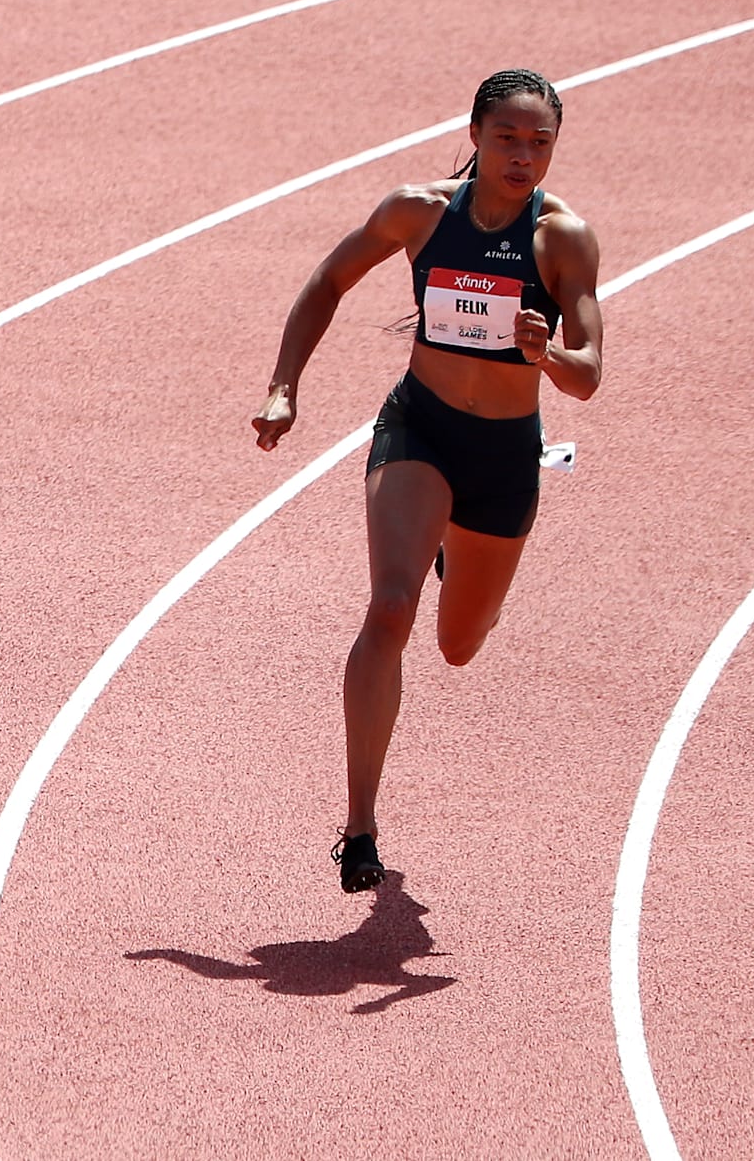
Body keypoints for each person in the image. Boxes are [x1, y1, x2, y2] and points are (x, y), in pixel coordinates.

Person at [253, 70, 604, 893]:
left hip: (506, 452)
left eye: (540, 142)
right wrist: (284, 384)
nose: (524, 156)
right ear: (475, 134)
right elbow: (327, 280)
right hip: (421, 427)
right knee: (389, 606)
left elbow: (588, 375)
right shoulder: (418, 212)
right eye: (509, 138)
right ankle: (360, 825)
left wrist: (544, 353)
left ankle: (453, 546)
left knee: (457, 645)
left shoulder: (564, 239)